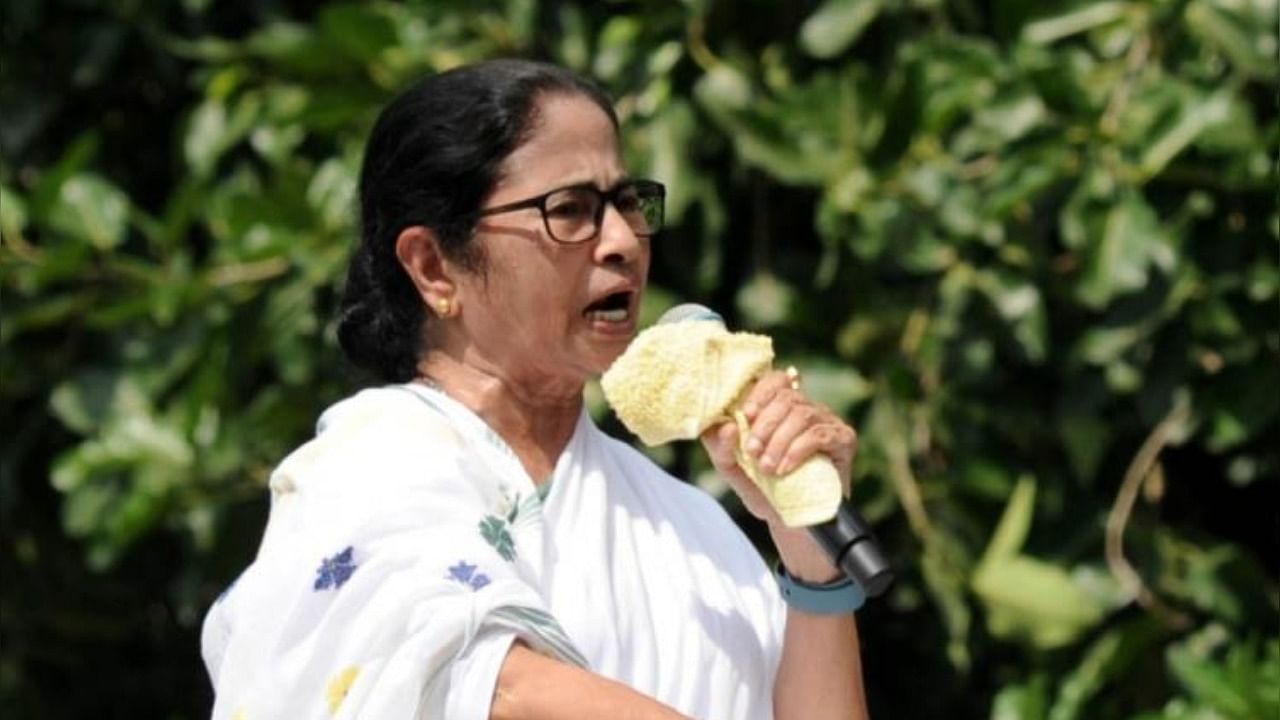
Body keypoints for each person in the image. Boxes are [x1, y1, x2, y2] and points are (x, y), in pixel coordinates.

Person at [201, 59, 870, 720]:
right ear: (434, 267)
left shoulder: (693, 528)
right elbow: (500, 691)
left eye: (627, 202)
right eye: (570, 210)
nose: (621, 242)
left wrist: (812, 564)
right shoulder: (368, 468)